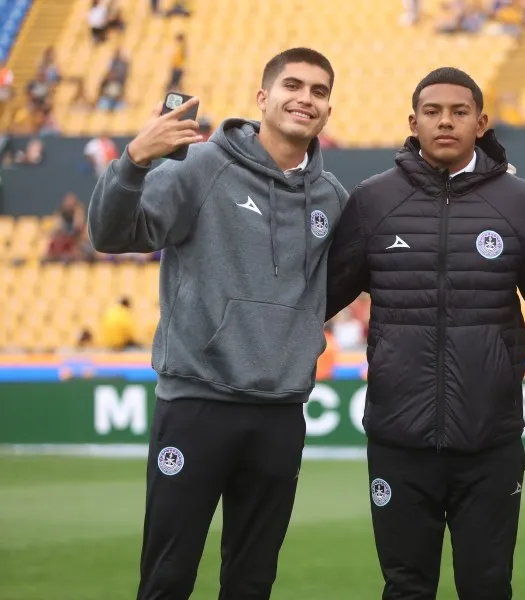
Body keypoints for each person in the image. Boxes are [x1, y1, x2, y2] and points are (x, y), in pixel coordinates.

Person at [87, 47, 348, 600]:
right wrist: (134, 159)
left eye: (319, 91)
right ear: (263, 98)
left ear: (327, 109)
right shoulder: (201, 166)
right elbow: (112, 235)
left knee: (252, 581)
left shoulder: (333, 199)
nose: (305, 98)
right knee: (168, 576)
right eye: (293, 85)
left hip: (279, 412)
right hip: (196, 403)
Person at [326, 67, 525, 599]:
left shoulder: (521, 202)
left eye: (459, 111)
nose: (445, 121)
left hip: (489, 440)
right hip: (398, 438)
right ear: (413, 121)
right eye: (433, 112)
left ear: (481, 122)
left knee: (488, 585)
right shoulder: (372, 201)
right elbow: (318, 298)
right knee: (405, 587)